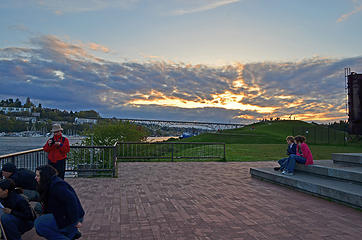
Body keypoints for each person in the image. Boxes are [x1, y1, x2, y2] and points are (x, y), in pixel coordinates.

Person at [34, 165, 84, 240]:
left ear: (44, 176)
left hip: (72, 216)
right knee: (39, 209)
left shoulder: (58, 186)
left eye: (38, 175)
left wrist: (75, 221)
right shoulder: (49, 183)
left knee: (40, 224)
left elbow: (71, 202)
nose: (35, 177)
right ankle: (71, 233)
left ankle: (70, 231)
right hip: (64, 214)